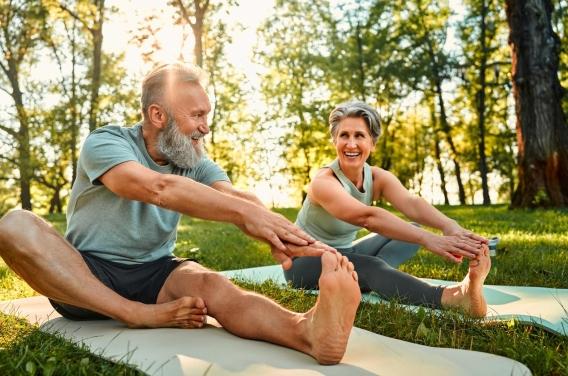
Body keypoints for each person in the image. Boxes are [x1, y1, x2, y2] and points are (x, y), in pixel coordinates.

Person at [0, 63, 362, 365]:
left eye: (208, 115)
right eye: (198, 115)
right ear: (158, 115)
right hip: (85, 275)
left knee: (213, 285)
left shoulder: (192, 159)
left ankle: (308, 332)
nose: (206, 126)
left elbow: (236, 197)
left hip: (156, 273)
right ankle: (134, 314)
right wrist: (241, 213)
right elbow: (157, 189)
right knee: (14, 224)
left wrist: (280, 231)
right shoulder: (107, 142)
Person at [284, 100, 491, 317]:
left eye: (360, 136)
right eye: (344, 135)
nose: (351, 144)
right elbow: (367, 217)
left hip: (344, 252)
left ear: (372, 142)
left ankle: (369, 277)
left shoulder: (376, 177)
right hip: (303, 262)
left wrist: (450, 227)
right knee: (373, 266)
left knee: (408, 231)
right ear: (335, 141)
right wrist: (430, 239)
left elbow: (412, 204)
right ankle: (454, 297)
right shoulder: (324, 182)